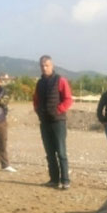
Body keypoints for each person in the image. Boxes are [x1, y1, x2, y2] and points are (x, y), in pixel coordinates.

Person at [33, 55, 73, 189]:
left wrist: (58, 110)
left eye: (47, 65)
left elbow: (68, 99)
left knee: (61, 152)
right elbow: (36, 100)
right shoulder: (39, 83)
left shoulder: (61, 80)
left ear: (52, 66)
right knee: (50, 153)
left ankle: (65, 180)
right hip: (44, 122)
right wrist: (38, 111)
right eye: (42, 66)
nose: (44, 68)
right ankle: (54, 180)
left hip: (58, 122)